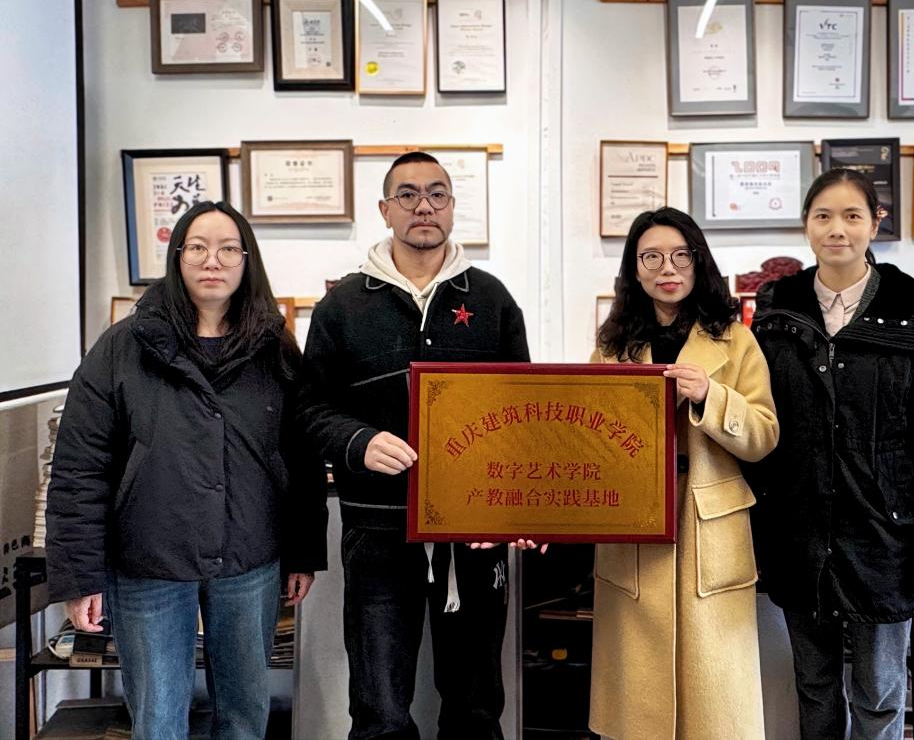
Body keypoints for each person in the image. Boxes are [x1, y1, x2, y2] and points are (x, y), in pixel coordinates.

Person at [46, 201, 327, 740]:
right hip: (148, 560)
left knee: (244, 716)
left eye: (227, 249)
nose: (212, 260)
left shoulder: (275, 350)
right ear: (177, 257)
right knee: (157, 720)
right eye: (197, 247)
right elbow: (80, 467)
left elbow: (302, 460)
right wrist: (80, 577)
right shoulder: (122, 347)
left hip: (249, 559)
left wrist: (303, 552)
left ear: (247, 261)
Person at [296, 151, 532, 740]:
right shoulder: (342, 306)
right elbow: (309, 410)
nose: (423, 206)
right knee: (379, 712)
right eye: (407, 194)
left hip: (475, 535)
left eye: (436, 194)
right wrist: (358, 441)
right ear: (385, 210)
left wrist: (519, 510)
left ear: (452, 207)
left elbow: (524, 417)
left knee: (477, 709)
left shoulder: (493, 301)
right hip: (378, 532)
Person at [749, 168, 914, 740]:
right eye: (823, 216)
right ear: (806, 224)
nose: (837, 230)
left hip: (886, 536)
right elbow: (759, 422)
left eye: (852, 216)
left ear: (875, 224)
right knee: (814, 686)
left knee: (878, 693)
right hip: (798, 530)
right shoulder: (776, 310)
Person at [588, 206, 779, 740]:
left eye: (679, 255)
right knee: (637, 703)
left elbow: (764, 435)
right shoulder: (612, 347)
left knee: (715, 701)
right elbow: (589, 437)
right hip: (634, 526)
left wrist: (710, 396)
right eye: (650, 257)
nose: (666, 268)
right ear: (634, 269)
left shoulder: (736, 340)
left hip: (708, 527)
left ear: (698, 262)